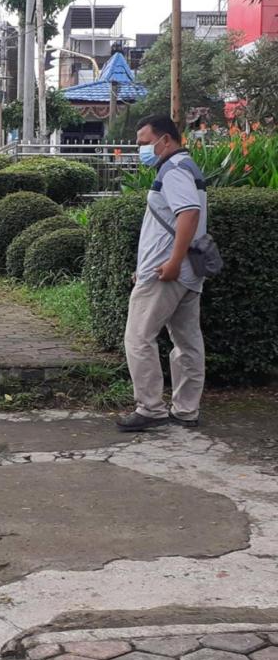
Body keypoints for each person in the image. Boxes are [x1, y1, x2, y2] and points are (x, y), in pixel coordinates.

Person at [117, 114, 208, 432]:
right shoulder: (185, 167)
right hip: (184, 272)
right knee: (186, 342)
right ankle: (185, 410)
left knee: (138, 338)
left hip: (167, 273)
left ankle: (151, 409)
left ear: (165, 140)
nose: (140, 148)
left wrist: (170, 262)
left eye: (144, 142)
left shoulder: (174, 170)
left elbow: (188, 215)